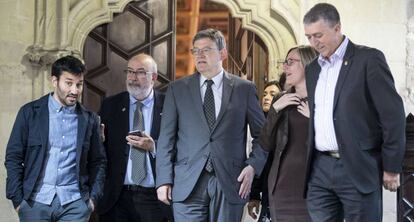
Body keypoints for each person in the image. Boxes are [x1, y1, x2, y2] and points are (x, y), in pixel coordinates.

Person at [303, 3, 406, 221]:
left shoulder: (368, 60)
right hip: (319, 169)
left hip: (357, 168)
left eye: (319, 35)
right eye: (309, 37)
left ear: (337, 28)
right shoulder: (312, 69)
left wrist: (392, 167)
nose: (314, 42)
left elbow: (393, 115)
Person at [156, 28, 268, 222]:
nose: (199, 55)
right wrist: (163, 180)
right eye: (195, 51)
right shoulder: (177, 89)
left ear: (222, 53)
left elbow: (263, 136)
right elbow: (166, 139)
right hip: (187, 182)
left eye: (206, 50)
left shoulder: (244, 89)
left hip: (231, 181)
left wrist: (252, 167)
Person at [5, 55, 107, 222]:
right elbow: (13, 157)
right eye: (69, 83)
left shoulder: (90, 119)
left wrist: (92, 200)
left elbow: (99, 161)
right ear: (54, 81)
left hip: (75, 204)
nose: (75, 90)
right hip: (34, 202)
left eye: (79, 84)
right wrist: (17, 200)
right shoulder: (30, 113)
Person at [97, 53, 173, 222]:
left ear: (153, 77)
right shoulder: (110, 105)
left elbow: (182, 147)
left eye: (139, 72)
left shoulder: (170, 105)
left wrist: (154, 147)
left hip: (154, 198)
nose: (132, 77)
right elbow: (99, 153)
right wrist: (99, 141)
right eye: (130, 71)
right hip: (117, 197)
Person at [259, 46, 318, 222]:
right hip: (281, 186)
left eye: (290, 62)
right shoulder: (280, 100)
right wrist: (275, 110)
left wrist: (313, 119)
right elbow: (265, 143)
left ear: (308, 65)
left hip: (315, 185)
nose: (285, 67)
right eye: (285, 62)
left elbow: (338, 141)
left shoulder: (325, 99)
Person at [247, 80, 281, 221]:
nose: (266, 97)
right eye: (265, 94)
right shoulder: (258, 125)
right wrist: (254, 195)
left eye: (272, 94)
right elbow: (259, 163)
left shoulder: (283, 125)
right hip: (266, 194)